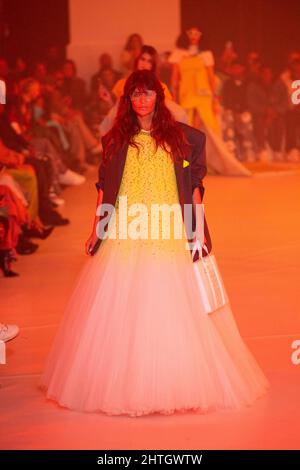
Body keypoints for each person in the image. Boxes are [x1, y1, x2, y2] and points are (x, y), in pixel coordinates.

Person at [41, 70, 269, 417]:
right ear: (128, 100)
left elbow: (193, 190)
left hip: (167, 227)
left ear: (159, 98)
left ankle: (178, 380)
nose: (142, 100)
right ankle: (122, 383)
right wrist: (96, 229)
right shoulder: (115, 140)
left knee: (173, 304)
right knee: (121, 304)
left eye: (148, 93)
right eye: (135, 95)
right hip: (126, 228)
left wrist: (196, 232)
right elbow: (104, 189)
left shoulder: (183, 139)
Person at [169, 26, 251, 176]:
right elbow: (174, 79)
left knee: (203, 128)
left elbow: (211, 78)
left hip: (203, 96)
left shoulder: (206, 54)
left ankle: (203, 163)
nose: (193, 36)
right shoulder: (179, 54)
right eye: (190, 33)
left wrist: (214, 99)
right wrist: (174, 97)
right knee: (185, 128)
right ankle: (185, 163)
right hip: (186, 95)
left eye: (197, 33)